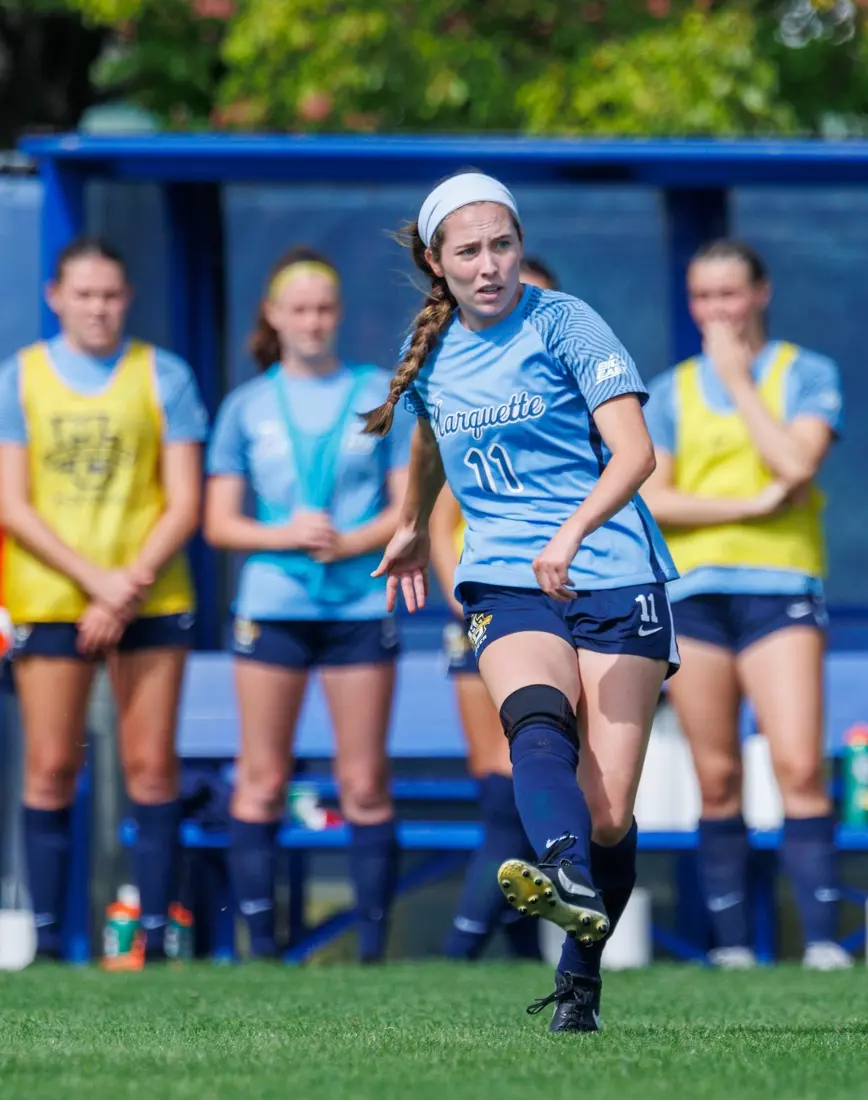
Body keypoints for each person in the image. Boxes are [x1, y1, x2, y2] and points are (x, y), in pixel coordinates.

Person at [368, 172, 676, 1031]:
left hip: (612, 572)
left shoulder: (565, 320)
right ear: (437, 262)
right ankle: (564, 870)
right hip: (504, 573)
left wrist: (571, 535)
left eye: (501, 244)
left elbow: (635, 453)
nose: (490, 264)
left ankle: (580, 984)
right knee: (534, 725)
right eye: (468, 251)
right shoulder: (430, 350)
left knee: (610, 812)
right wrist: (405, 523)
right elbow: (430, 438)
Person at [639, 239, 848, 970]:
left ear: (760, 294)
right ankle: (731, 949)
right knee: (717, 774)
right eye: (703, 298)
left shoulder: (807, 373)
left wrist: (738, 378)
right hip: (695, 596)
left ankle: (822, 942)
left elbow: (797, 463)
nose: (717, 312)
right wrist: (748, 501)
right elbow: (652, 498)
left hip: (781, 588)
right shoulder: (668, 391)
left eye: (730, 295)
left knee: (797, 764)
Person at [0, 236, 208, 966]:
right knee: (52, 763)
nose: (98, 308)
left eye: (111, 294)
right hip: (53, 598)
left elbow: (184, 504)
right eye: (84, 294)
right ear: (56, 296)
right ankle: (50, 942)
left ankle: (154, 936)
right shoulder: (18, 379)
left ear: (128, 299)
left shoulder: (164, 376)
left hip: (151, 596)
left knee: (151, 767)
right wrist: (97, 582)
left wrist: (127, 585)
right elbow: (11, 503)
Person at [203, 247, 411, 963]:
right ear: (273, 316)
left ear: (340, 314)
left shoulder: (380, 392)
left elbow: (407, 505)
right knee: (260, 779)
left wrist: (353, 541)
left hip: (357, 608)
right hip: (274, 604)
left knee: (363, 781)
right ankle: (260, 949)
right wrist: (284, 534)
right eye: (299, 309)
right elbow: (220, 523)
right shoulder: (248, 405)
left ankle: (373, 955)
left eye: (324, 308)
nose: (313, 321)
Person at [434, 255, 559, 962]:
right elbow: (435, 517)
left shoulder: (584, 393)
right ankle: (462, 949)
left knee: (549, 788)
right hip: (491, 612)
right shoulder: (468, 395)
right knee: (506, 783)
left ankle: (512, 951)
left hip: (570, 612)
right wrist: (469, 600)